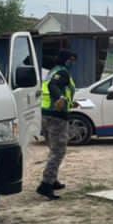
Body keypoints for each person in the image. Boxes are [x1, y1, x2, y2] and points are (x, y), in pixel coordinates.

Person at [38, 50, 77, 200]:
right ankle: (46, 185)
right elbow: (53, 87)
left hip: (46, 114)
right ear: (66, 60)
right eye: (72, 60)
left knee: (53, 150)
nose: (73, 63)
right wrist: (60, 98)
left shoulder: (52, 71)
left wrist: (69, 102)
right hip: (57, 117)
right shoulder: (62, 72)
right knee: (58, 152)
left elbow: (57, 89)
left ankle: (53, 180)